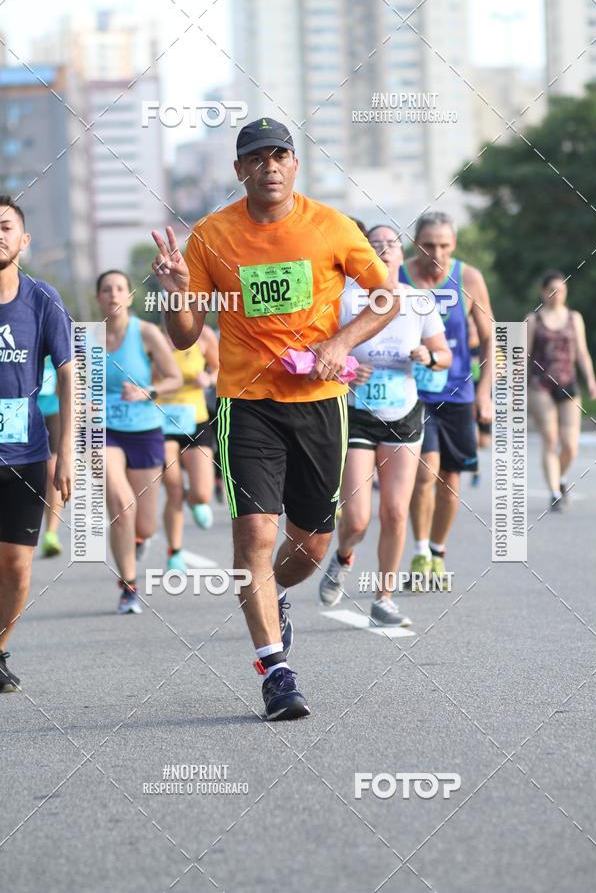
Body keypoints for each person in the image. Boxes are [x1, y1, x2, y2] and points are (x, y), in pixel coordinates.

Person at [151, 117, 399, 721]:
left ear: (295, 165)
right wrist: (181, 293)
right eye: (256, 157)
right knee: (255, 536)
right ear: (239, 170)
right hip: (247, 403)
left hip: (319, 403)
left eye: (279, 154)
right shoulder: (212, 236)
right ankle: (275, 669)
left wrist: (342, 341)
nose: (269, 165)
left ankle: (277, 592)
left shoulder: (332, 226)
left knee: (310, 546)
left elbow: (387, 297)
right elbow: (186, 339)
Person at [319, 225, 451, 621]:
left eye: (390, 245)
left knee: (395, 511)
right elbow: (321, 352)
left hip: (404, 414)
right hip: (358, 415)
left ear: (401, 256)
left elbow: (443, 355)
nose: (383, 251)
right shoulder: (345, 300)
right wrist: (346, 368)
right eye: (374, 246)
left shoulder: (419, 301)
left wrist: (426, 357)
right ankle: (343, 558)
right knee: (357, 517)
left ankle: (383, 598)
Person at [0, 194, 72, 692]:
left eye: (5, 227)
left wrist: (66, 453)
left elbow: (69, 373)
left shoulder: (42, 299)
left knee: (16, 565)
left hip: (26, 453)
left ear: (24, 241)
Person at [402, 212, 494, 589]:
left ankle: (438, 552)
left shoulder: (469, 278)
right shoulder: (399, 278)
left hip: (458, 391)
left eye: (443, 244)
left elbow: (491, 339)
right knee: (424, 474)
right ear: (415, 243)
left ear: (453, 245)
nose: (435, 252)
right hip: (413, 392)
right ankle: (421, 552)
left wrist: (485, 393)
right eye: (428, 244)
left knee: (451, 478)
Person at [98, 270, 182, 614]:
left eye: (120, 288)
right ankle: (129, 585)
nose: (114, 294)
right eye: (106, 289)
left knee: (144, 524)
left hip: (145, 429)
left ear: (129, 297)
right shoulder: (86, 338)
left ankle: (137, 541)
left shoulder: (145, 333)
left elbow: (176, 377)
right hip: (103, 430)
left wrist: (149, 391)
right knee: (122, 505)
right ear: (98, 297)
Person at [526, 270, 596, 511]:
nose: (557, 296)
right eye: (552, 291)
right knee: (550, 439)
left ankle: (561, 477)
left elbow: (582, 352)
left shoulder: (574, 317)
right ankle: (555, 493)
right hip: (540, 386)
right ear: (543, 292)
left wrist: (590, 379)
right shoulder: (533, 320)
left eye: (562, 291)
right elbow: (522, 356)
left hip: (568, 384)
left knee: (570, 445)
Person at [158, 323, 219, 571]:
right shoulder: (154, 338)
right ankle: (175, 552)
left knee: (202, 493)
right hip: (163, 421)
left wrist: (209, 378)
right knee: (173, 489)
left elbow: (218, 367)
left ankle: (194, 501)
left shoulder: (203, 335)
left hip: (196, 420)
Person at [38, 355, 65, 556]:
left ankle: (50, 533)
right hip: (25, 410)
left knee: (52, 471)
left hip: (54, 412)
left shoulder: (56, 339)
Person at [467, 313, 492, 488]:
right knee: (473, 434)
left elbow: (499, 370)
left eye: (475, 326)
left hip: (482, 392)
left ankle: (473, 456)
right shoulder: (460, 346)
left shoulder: (486, 347)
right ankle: (475, 469)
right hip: (465, 394)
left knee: (484, 441)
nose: (472, 329)